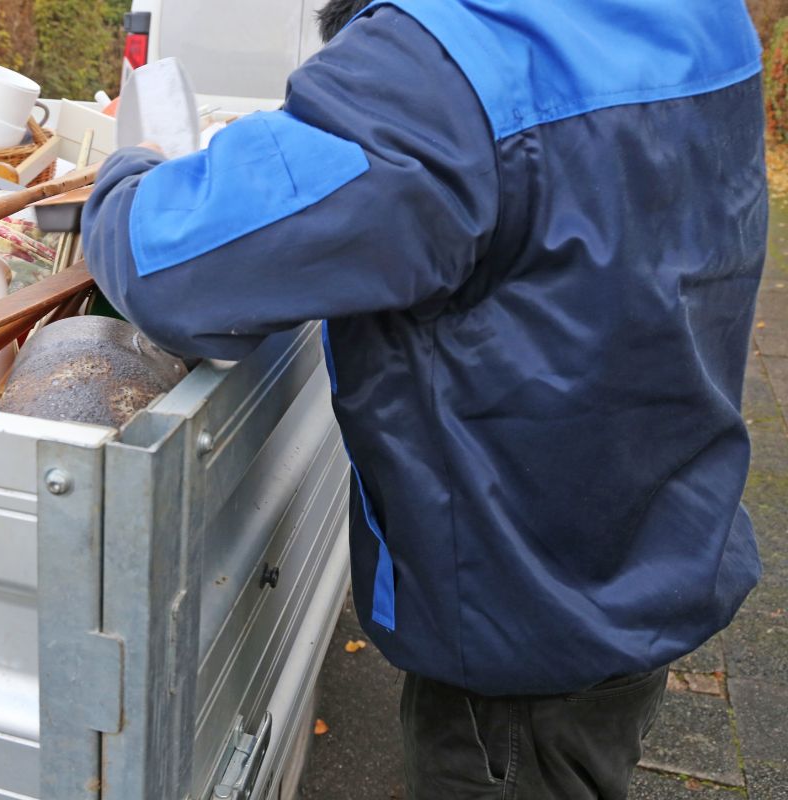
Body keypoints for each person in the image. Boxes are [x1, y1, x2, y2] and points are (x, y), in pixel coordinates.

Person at [81, 0, 767, 796]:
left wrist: (131, 169)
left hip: (523, 627)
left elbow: (172, 265)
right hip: (645, 552)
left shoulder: (446, 60)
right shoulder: (703, 14)